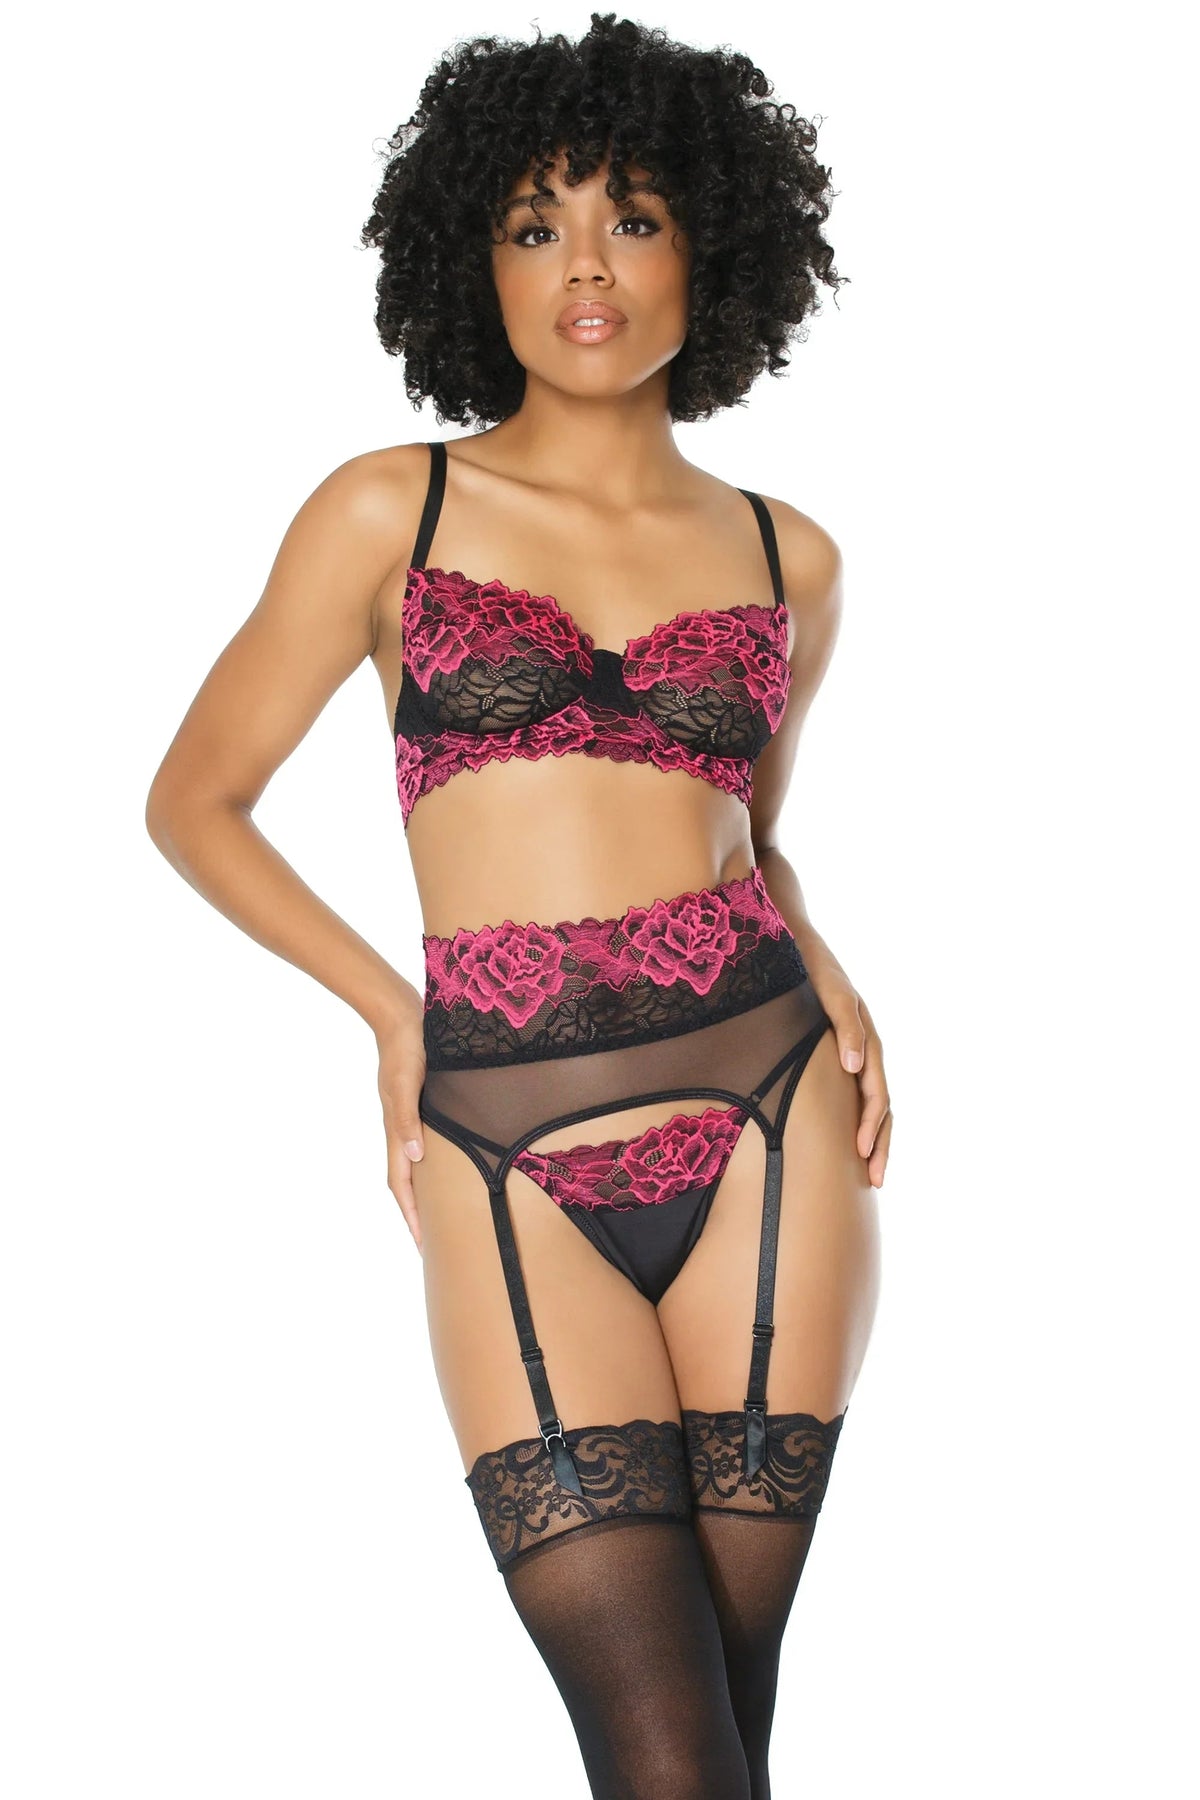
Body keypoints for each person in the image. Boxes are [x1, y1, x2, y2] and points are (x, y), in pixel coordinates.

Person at [146, 14, 890, 1797]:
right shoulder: (389, 510)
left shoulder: (788, 556)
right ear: (471, 262)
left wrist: (834, 961)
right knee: (661, 1749)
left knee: (730, 1729)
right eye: (536, 225)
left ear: (712, 248)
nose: (587, 268)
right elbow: (193, 804)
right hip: (504, 1136)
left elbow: (743, 831)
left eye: (634, 219)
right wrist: (390, 1010)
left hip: (773, 1108)